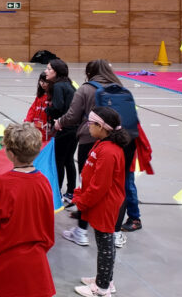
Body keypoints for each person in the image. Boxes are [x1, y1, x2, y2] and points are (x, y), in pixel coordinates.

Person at [0, 123, 56, 297]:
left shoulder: (2, 184)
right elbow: (48, 227)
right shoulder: (44, 183)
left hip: (3, 267)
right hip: (36, 269)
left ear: (11, 154)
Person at [55, 59, 122, 247]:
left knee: (88, 183)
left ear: (89, 72)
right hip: (116, 140)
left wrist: (59, 122)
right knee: (111, 185)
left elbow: (73, 116)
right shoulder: (118, 86)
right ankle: (112, 231)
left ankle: (81, 230)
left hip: (89, 141)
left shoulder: (85, 89)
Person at [70, 107, 129, 297]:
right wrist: (79, 193)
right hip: (99, 202)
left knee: (105, 246)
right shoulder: (102, 143)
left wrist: (82, 202)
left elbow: (99, 186)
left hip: (105, 204)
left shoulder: (109, 152)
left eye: (91, 123)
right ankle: (104, 279)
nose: (88, 126)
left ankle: (102, 288)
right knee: (104, 243)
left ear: (101, 127)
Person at [43, 59, 77, 203]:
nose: (46, 71)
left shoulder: (58, 86)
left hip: (64, 128)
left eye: (49, 69)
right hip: (74, 128)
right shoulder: (69, 85)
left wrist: (47, 109)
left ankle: (57, 192)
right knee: (69, 160)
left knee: (59, 161)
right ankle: (71, 191)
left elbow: (58, 107)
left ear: (55, 72)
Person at [24, 72, 50, 138]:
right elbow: (32, 109)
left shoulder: (52, 97)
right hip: (37, 127)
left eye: (46, 81)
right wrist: (28, 120)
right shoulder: (39, 96)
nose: (43, 84)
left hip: (47, 128)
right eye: (41, 81)